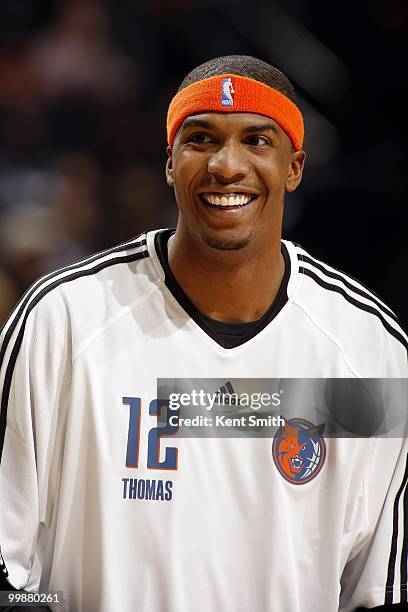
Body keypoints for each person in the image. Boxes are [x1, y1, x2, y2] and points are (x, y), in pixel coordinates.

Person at [0, 55, 407, 612]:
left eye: (257, 140)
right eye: (200, 138)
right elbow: (9, 577)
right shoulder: (64, 322)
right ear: (170, 163)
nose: (225, 164)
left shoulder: (371, 355)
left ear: (295, 167)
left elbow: (380, 590)